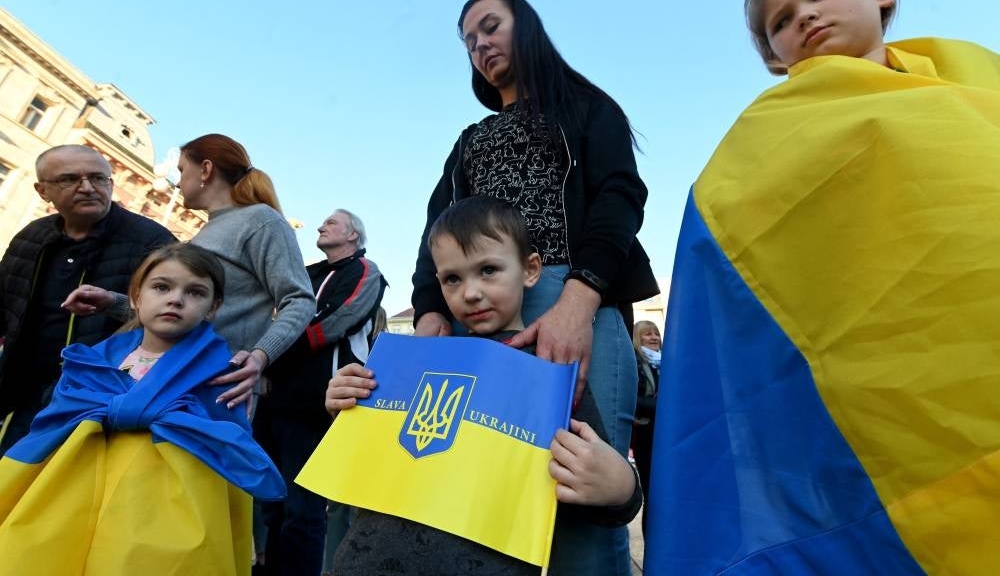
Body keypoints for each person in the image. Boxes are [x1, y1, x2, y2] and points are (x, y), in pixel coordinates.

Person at [646, 0, 1000, 574]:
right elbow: (729, 258)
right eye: (781, 20)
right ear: (774, 56)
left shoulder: (972, 73)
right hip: (888, 366)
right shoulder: (771, 132)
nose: (804, 15)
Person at [411, 0, 658, 575]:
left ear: (527, 28)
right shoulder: (469, 139)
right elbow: (435, 231)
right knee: (480, 498)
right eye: (469, 41)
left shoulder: (586, 107)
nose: (480, 45)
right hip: (476, 315)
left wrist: (579, 299)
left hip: (571, 292)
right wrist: (429, 313)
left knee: (575, 493)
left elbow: (620, 197)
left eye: (491, 27)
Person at [330, 196, 642, 576]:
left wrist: (623, 486)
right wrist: (345, 404)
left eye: (489, 270)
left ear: (530, 270)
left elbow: (606, 484)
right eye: (452, 279)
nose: (471, 292)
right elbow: (370, 456)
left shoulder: (546, 370)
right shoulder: (415, 363)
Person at [0, 243, 285, 576]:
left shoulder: (224, 376)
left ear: (213, 307)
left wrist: (235, 528)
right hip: (76, 488)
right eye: (162, 287)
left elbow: (228, 454)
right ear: (136, 297)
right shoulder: (90, 363)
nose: (176, 299)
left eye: (195, 292)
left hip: (161, 507)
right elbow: (53, 425)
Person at [63, 133, 315, 409]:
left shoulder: (262, 221)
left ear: (206, 170)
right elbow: (183, 312)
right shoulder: (210, 228)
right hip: (167, 373)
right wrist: (112, 302)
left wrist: (260, 355)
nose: (179, 180)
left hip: (213, 383)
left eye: (182, 170)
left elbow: (300, 299)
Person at [0, 144, 175, 454]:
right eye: (69, 179)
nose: (87, 188)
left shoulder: (151, 241)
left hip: (99, 400)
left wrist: (115, 302)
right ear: (43, 191)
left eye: (98, 178)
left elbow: (186, 316)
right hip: (22, 387)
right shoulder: (31, 237)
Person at [260, 209, 387, 576]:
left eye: (331, 223)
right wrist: (267, 361)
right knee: (273, 503)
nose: (320, 226)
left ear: (352, 235)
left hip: (319, 401)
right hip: (276, 397)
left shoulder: (365, 270)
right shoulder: (305, 274)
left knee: (303, 508)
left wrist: (273, 348)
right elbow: (277, 313)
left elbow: (338, 320)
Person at [631, 320, 659, 534]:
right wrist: (663, 404)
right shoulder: (635, 363)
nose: (653, 337)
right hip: (646, 437)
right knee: (653, 493)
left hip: (669, 435)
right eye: (646, 334)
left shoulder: (669, 362)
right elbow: (633, 401)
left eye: (655, 333)